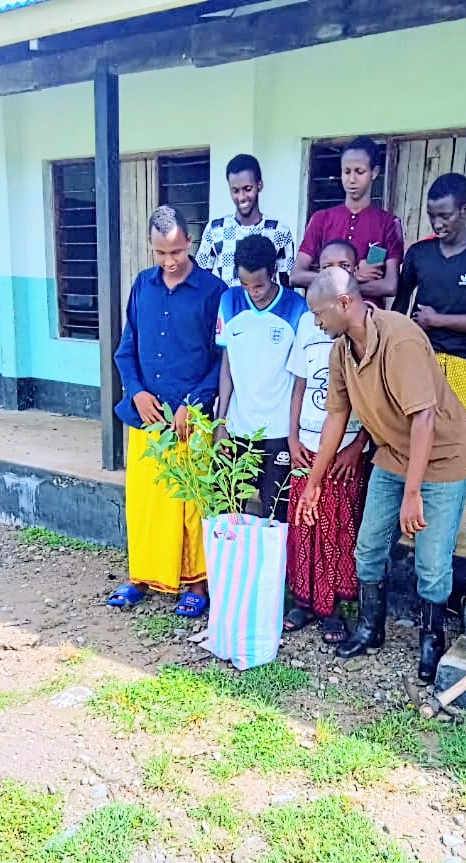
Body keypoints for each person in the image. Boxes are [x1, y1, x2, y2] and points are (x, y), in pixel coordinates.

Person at [295, 268, 466, 683]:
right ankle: (370, 628)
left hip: (443, 457)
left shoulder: (401, 338)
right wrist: (314, 483)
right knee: (369, 546)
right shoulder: (341, 351)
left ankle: (431, 639)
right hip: (394, 453)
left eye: (319, 314)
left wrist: (413, 493)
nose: (316, 323)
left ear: (344, 303)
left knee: (431, 561)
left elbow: (425, 418)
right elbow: (336, 418)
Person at [109, 205, 223, 618]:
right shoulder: (143, 284)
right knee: (146, 504)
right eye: (161, 253)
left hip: (191, 421)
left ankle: (197, 582)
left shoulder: (213, 291)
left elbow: (222, 360)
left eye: (176, 251)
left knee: (192, 504)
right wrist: (137, 393)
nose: (170, 261)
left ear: (190, 242)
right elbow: (126, 349)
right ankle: (142, 576)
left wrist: (194, 404)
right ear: (150, 247)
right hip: (148, 418)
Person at [285, 239, 369, 644]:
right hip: (307, 443)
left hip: (346, 450)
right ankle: (303, 601)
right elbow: (299, 385)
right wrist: (292, 436)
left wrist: (358, 445)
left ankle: (332, 607)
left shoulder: (366, 326)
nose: (334, 270)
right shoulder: (308, 322)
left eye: (344, 265)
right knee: (304, 524)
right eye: (325, 265)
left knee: (338, 529)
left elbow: (373, 397)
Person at [392, 172, 466, 424]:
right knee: (409, 433)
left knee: (457, 437)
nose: (437, 224)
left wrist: (437, 320)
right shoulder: (419, 253)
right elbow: (399, 306)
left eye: (445, 216)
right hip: (418, 358)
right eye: (431, 215)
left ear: (465, 209)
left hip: (459, 363)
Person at [216, 234, 308, 522]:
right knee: (229, 515)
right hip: (237, 429)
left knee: (275, 518)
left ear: (273, 272)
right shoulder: (229, 301)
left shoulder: (297, 308)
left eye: (259, 285)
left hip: (278, 433)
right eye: (245, 284)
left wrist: (294, 434)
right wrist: (221, 423)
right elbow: (227, 366)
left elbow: (300, 379)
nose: (252, 292)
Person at [291, 136, 403, 304]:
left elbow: (390, 286)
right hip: (325, 314)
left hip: (367, 315)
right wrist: (352, 277)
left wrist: (330, 281)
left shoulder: (388, 223)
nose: (351, 180)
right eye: (347, 171)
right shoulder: (321, 219)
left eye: (359, 172)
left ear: (374, 172)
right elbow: (296, 276)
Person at [196, 153, 295, 288]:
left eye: (247, 189)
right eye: (235, 191)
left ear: (259, 185)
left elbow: (286, 282)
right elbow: (200, 278)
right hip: (226, 301)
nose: (242, 197)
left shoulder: (279, 231)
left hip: (265, 302)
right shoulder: (215, 229)